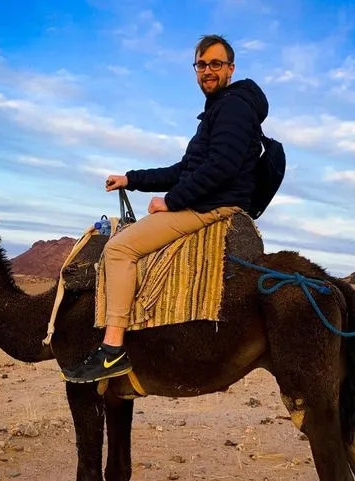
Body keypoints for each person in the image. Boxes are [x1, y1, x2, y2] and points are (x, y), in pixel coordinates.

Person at [62, 34, 269, 383]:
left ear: (230, 68)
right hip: (207, 200)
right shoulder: (219, 110)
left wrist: (171, 201)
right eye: (201, 65)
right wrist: (131, 178)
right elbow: (181, 170)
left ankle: (112, 350)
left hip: (212, 206)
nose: (208, 71)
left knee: (118, 248)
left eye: (215, 64)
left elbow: (222, 165)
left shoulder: (233, 107)